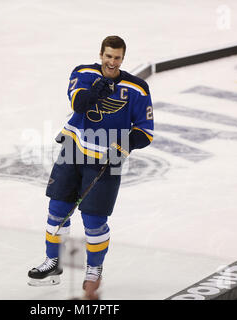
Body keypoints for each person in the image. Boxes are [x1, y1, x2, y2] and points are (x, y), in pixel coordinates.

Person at [27, 35, 154, 299]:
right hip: (73, 150)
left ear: (123, 58)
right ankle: (54, 262)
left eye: (117, 57)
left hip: (107, 159)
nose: (112, 61)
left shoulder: (137, 88)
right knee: (57, 211)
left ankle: (93, 270)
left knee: (94, 222)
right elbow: (78, 103)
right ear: (101, 54)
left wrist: (124, 145)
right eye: (108, 56)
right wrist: (99, 88)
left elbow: (146, 131)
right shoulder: (83, 73)